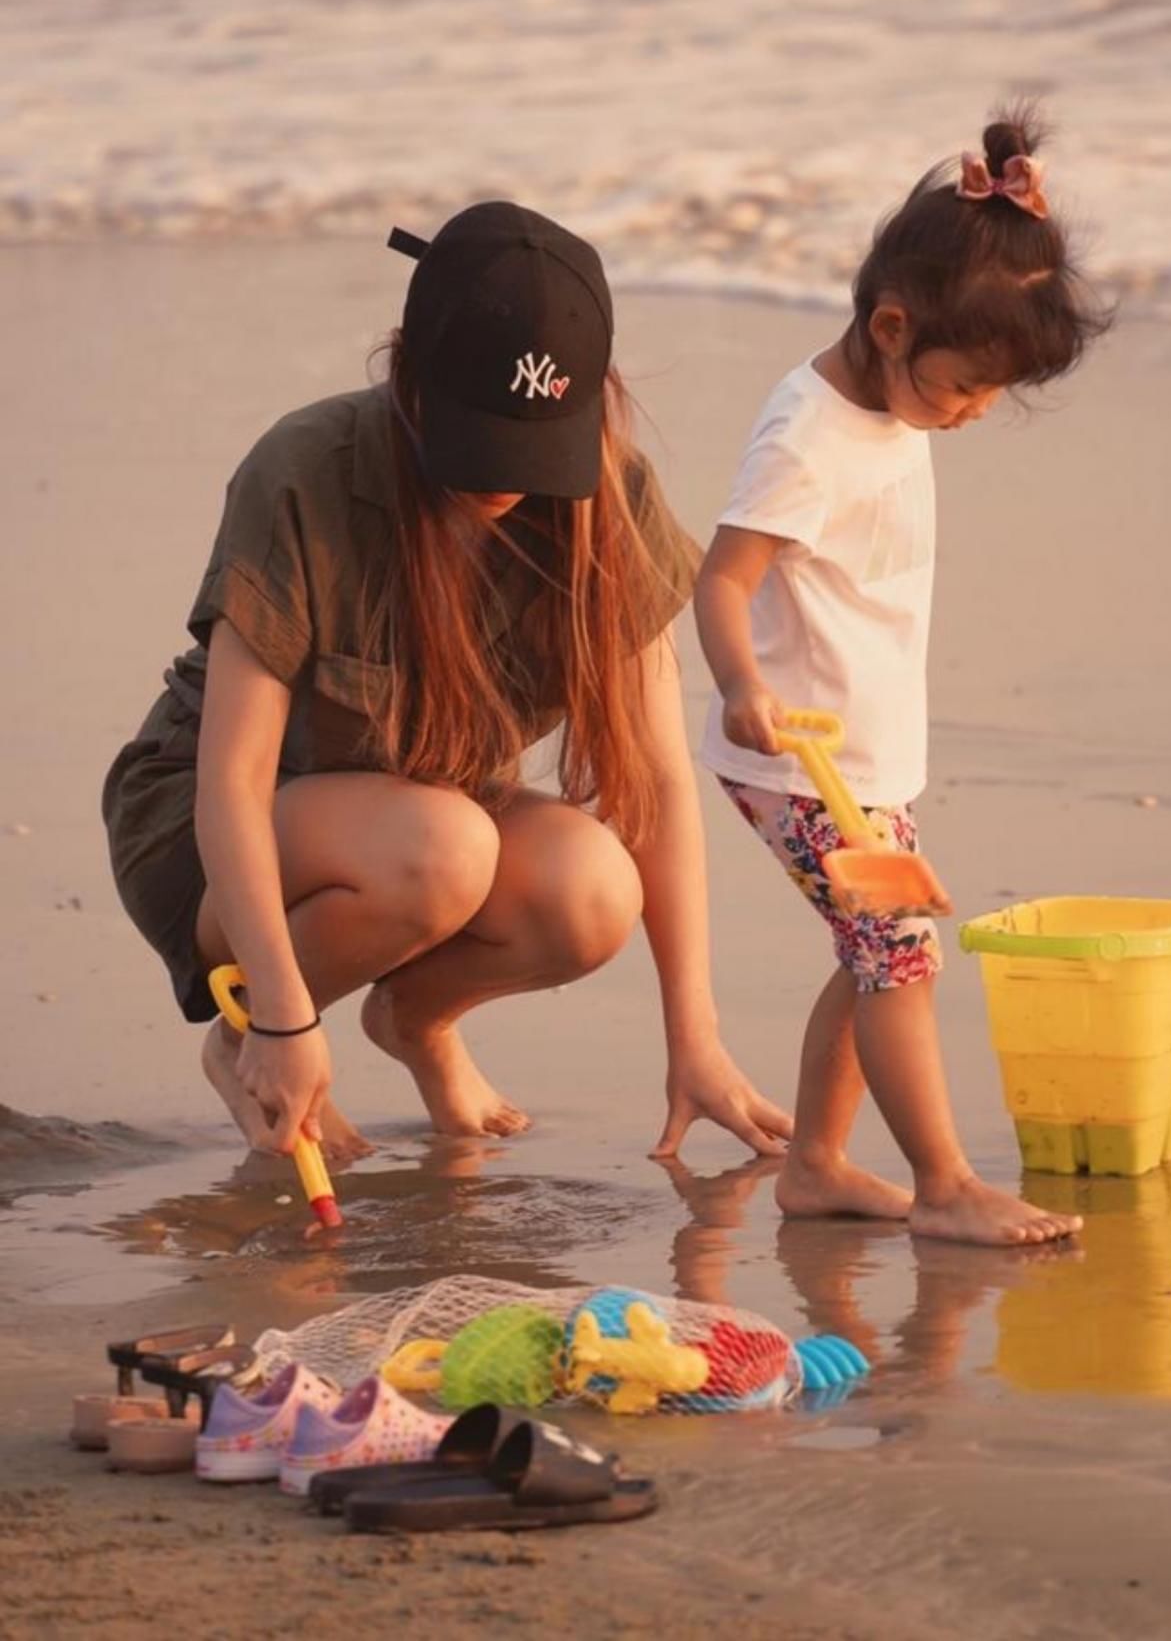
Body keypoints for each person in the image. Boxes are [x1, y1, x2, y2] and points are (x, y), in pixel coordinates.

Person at [103, 203, 792, 1165]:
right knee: (447, 848)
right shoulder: (304, 472)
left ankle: (416, 1022)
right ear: (409, 378)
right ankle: (246, 1034)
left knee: (593, 889)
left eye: (531, 448)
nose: (505, 483)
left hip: (423, 814)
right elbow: (231, 777)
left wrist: (698, 1042)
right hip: (215, 829)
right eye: (481, 442)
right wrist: (285, 1025)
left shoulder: (612, 501)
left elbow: (662, 785)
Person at [694, 108, 1108, 1245]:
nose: (971, 415)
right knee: (900, 952)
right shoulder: (806, 437)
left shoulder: (893, 397)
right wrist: (741, 685)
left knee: (874, 952)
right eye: (965, 389)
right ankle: (942, 1183)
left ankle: (818, 1164)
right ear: (889, 327)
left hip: (867, 758)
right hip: (799, 756)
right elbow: (720, 581)